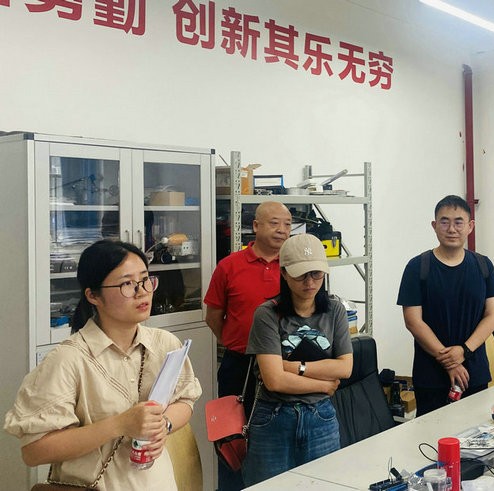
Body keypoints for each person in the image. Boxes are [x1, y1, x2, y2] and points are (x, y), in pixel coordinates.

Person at [4, 240, 201, 489]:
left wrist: (164, 424)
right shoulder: (68, 360)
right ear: (93, 295)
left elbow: (185, 400)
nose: (142, 291)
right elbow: (34, 451)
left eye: (145, 280)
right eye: (126, 284)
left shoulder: (165, 343)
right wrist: (120, 424)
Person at [242, 233, 353, 486]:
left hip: (321, 417)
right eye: (301, 275)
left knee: (325, 485)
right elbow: (275, 381)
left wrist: (293, 367)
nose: (310, 282)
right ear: (283, 273)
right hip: (274, 416)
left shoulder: (335, 310)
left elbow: (345, 367)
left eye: (317, 274)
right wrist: (324, 384)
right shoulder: (267, 314)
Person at [203, 201, 290, 489]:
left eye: (288, 224)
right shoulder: (229, 266)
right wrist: (236, 342)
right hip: (239, 365)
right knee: (232, 442)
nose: (282, 230)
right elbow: (213, 316)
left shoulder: (294, 266)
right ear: (255, 226)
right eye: (274, 223)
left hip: (284, 366)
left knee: (277, 440)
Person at [397, 195, 494, 416]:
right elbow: (413, 321)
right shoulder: (417, 267)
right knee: (431, 434)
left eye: (458, 222)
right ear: (434, 226)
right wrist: (450, 362)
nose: (452, 229)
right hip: (431, 376)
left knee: (476, 432)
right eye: (444, 222)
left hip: (474, 373)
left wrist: (464, 351)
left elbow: (492, 315)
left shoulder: (483, 266)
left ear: (470, 226)